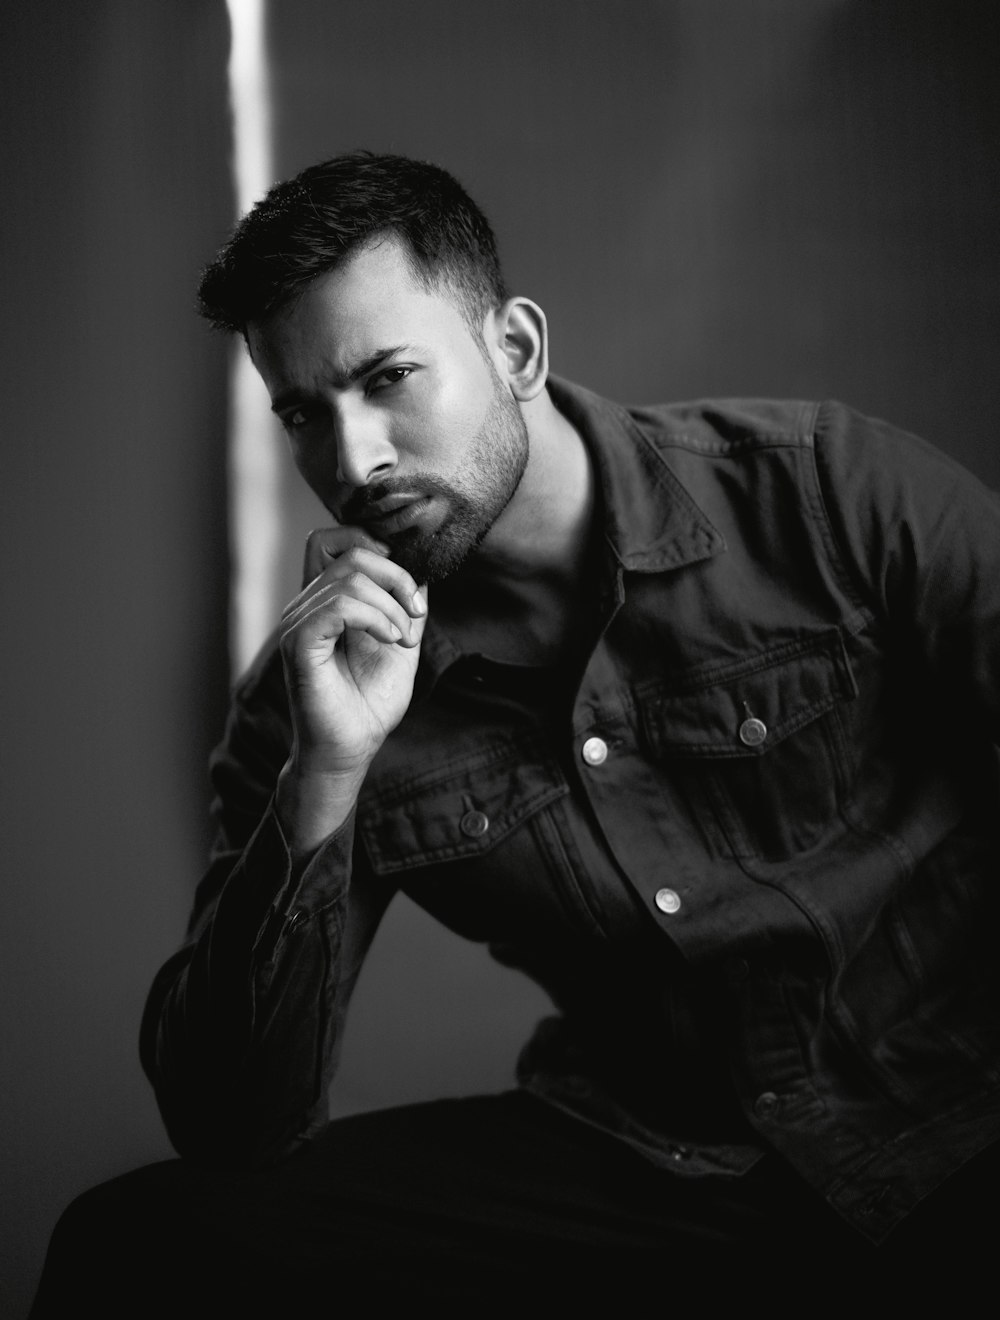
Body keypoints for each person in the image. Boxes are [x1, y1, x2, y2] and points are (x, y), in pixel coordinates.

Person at [31, 150, 1000, 1314]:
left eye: (387, 377)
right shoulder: (313, 701)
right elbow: (233, 1122)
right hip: (653, 1161)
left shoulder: (828, 494)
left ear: (517, 350)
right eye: (303, 413)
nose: (353, 461)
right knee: (139, 1248)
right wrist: (326, 777)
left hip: (957, 1111)